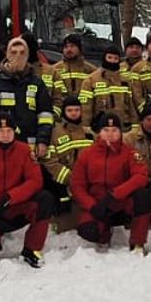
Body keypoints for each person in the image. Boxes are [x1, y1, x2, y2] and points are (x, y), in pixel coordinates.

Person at [0, 112, 58, 267]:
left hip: (14, 207)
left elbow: (35, 181)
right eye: (1, 131)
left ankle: (31, 249)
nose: (6, 135)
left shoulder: (25, 150)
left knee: (45, 199)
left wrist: (11, 197)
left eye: (9, 131)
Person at [71, 112, 151, 251]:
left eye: (114, 130)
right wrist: (92, 206)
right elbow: (77, 185)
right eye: (106, 130)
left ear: (121, 133)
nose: (110, 134)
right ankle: (104, 233)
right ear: (99, 133)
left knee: (143, 195)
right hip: (97, 205)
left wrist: (115, 194)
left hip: (121, 203)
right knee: (88, 231)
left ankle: (137, 242)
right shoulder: (87, 154)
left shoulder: (130, 153)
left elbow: (141, 176)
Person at [0, 36, 53, 155]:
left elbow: (45, 115)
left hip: (30, 147)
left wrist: (43, 141)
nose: (18, 56)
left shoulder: (37, 83)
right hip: (3, 148)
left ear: (27, 55)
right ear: (7, 55)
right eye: (14, 52)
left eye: (22, 52)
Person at [45, 94, 95, 233]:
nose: (73, 113)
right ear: (63, 112)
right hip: (63, 184)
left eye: (76, 110)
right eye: (70, 110)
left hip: (88, 183)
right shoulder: (55, 132)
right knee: (66, 224)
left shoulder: (89, 133)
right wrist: (71, 179)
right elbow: (50, 161)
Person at [79, 42, 137, 128]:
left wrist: (135, 127)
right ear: (104, 58)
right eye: (109, 57)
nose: (112, 61)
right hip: (100, 128)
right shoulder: (91, 80)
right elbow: (85, 107)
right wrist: (86, 128)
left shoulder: (125, 81)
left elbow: (132, 106)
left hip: (123, 128)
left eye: (115, 58)